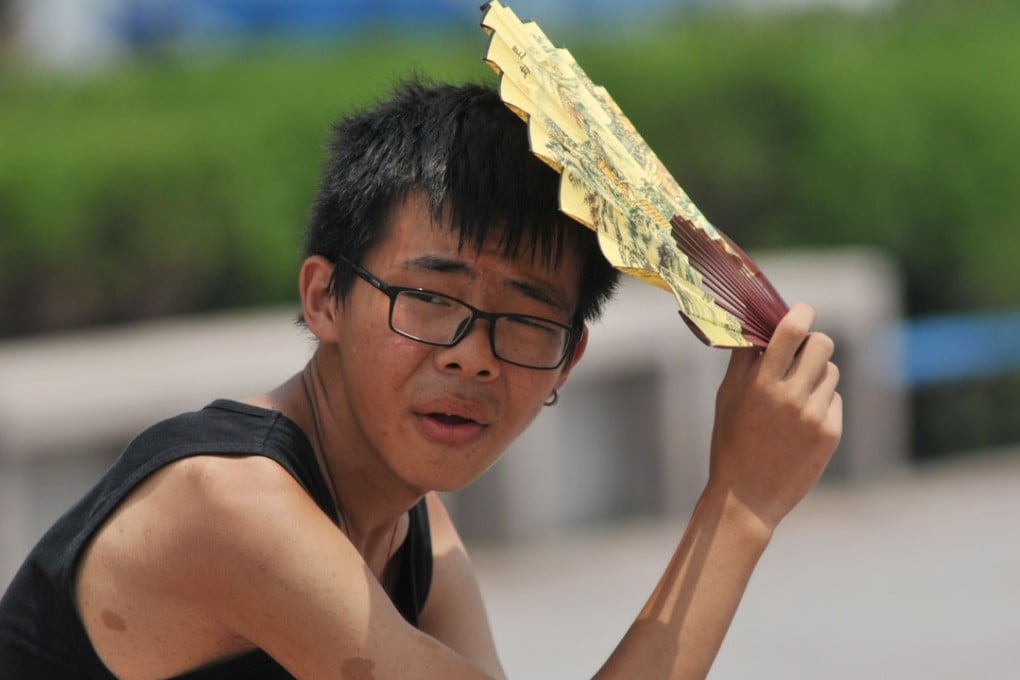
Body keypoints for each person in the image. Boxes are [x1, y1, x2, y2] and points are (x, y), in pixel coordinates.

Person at [0, 80, 842, 679]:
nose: (471, 355)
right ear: (324, 297)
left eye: (524, 320)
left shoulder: (415, 535)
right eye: (431, 301)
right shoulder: (234, 505)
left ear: (569, 360)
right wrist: (739, 507)